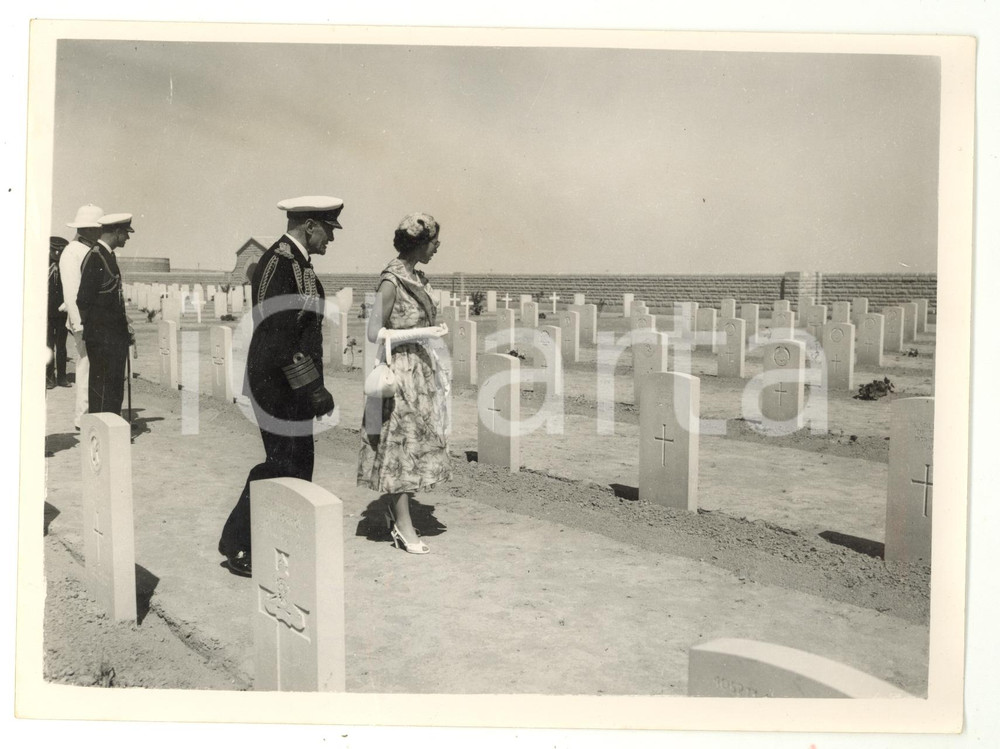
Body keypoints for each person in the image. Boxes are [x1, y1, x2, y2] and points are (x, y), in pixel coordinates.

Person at [218, 196, 342, 577]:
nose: (331, 239)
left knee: (300, 464)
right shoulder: (276, 263)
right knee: (281, 464)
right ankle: (238, 543)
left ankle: (283, 540)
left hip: (294, 388)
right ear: (309, 226)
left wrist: (313, 387)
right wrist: (312, 386)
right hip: (274, 385)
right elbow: (276, 335)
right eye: (328, 230)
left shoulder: (301, 266)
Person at [357, 213, 451, 554]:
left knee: (414, 444)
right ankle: (402, 524)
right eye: (434, 242)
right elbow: (374, 332)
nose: (437, 247)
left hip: (420, 371)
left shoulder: (418, 277)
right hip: (399, 371)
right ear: (418, 243)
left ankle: (397, 513)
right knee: (399, 445)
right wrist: (421, 332)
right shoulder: (392, 281)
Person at [76, 212, 134, 417]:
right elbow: (83, 300)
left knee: (113, 386)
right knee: (102, 388)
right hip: (102, 337)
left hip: (113, 336)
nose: (127, 237)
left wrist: (122, 328)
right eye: (125, 233)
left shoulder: (107, 255)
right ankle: (101, 427)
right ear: (116, 232)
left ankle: (112, 425)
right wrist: (98, 332)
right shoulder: (96, 257)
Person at [60, 204, 104, 427]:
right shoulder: (72, 252)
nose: (100, 232)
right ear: (87, 229)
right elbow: (71, 292)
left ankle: (93, 412)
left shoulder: (89, 250)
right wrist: (79, 324)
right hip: (83, 321)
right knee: (86, 366)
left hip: (93, 320)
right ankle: (82, 416)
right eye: (97, 228)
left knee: (94, 367)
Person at [46, 236, 70, 389]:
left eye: (60, 251)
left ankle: (62, 377)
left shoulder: (66, 267)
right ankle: (49, 377)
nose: (56, 253)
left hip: (62, 313)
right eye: (53, 250)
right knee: (48, 346)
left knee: (61, 346)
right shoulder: (42, 266)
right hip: (47, 313)